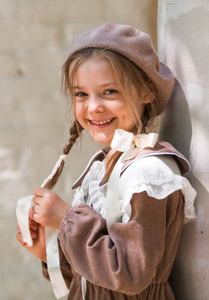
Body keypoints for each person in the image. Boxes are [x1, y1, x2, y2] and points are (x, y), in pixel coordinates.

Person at [16, 23, 196, 299]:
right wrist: (50, 250)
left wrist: (67, 218)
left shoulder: (148, 173)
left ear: (146, 92)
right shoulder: (104, 166)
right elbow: (93, 280)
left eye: (109, 91)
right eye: (81, 94)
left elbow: (130, 274)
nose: (93, 106)